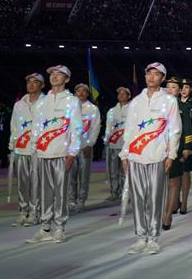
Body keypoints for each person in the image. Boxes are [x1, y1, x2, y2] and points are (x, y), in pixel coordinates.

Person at [119, 62, 181, 256]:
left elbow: (175, 130)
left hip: (157, 156)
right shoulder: (136, 101)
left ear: (162, 78)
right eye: (149, 74)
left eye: (156, 74)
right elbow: (129, 130)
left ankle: (153, 238)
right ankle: (140, 237)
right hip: (136, 156)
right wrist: (124, 153)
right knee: (138, 198)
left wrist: (171, 154)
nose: (152, 77)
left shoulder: (169, 101)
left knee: (155, 198)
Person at [26, 65, 82, 245]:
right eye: (52, 74)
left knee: (61, 192)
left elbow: (76, 128)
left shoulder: (72, 101)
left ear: (66, 79)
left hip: (61, 153)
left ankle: (59, 227)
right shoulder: (42, 101)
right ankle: (45, 227)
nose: (55, 76)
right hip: (43, 153)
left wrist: (72, 152)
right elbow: (36, 126)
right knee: (44, 192)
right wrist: (35, 147)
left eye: (60, 74)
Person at [9, 73, 45, 227]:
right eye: (29, 82)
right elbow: (14, 125)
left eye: (35, 82)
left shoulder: (46, 102)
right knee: (23, 183)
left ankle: (35, 212)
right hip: (22, 149)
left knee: (37, 183)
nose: (31, 84)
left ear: (42, 85)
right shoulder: (19, 104)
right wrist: (12, 145)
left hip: (39, 150)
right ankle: (23, 211)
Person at [161, 76, 192, 231]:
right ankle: (163, 209)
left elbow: (187, 128)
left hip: (176, 148)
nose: (170, 89)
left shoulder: (183, 106)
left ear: (179, 90)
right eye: (168, 86)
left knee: (174, 181)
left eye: (174, 87)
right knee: (161, 183)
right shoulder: (158, 104)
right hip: (159, 148)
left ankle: (168, 215)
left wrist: (187, 146)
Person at [70, 83, 101, 212]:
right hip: (70, 148)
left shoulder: (92, 109)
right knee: (70, 176)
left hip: (85, 146)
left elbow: (95, 127)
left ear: (87, 94)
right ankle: (71, 200)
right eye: (78, 90)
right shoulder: (69, 108)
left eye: (84, 91)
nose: (81, 93)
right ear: (75, 93)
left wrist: (90, 144)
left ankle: (81, 200)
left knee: (84, 176)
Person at [176, 78, 192, 215]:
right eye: (182, 87)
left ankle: (184, 202)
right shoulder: (173, 102)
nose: (184, 90)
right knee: (174, 174)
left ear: (190, 89)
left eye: (187, 87)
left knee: (185, 172)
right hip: (174, 142)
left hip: (188, 141)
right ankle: (175, 202)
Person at [102, 87, 130, 203]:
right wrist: (106, 141)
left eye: (124, 94)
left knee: (125, 171)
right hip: (113, 145)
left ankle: (126, 193)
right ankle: (114, 192)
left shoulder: (132, 109)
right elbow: (108, 127)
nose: (122, 95)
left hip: (126, 145)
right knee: (113, 171)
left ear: (129, 96)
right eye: (120, 93)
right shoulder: (112, 111)